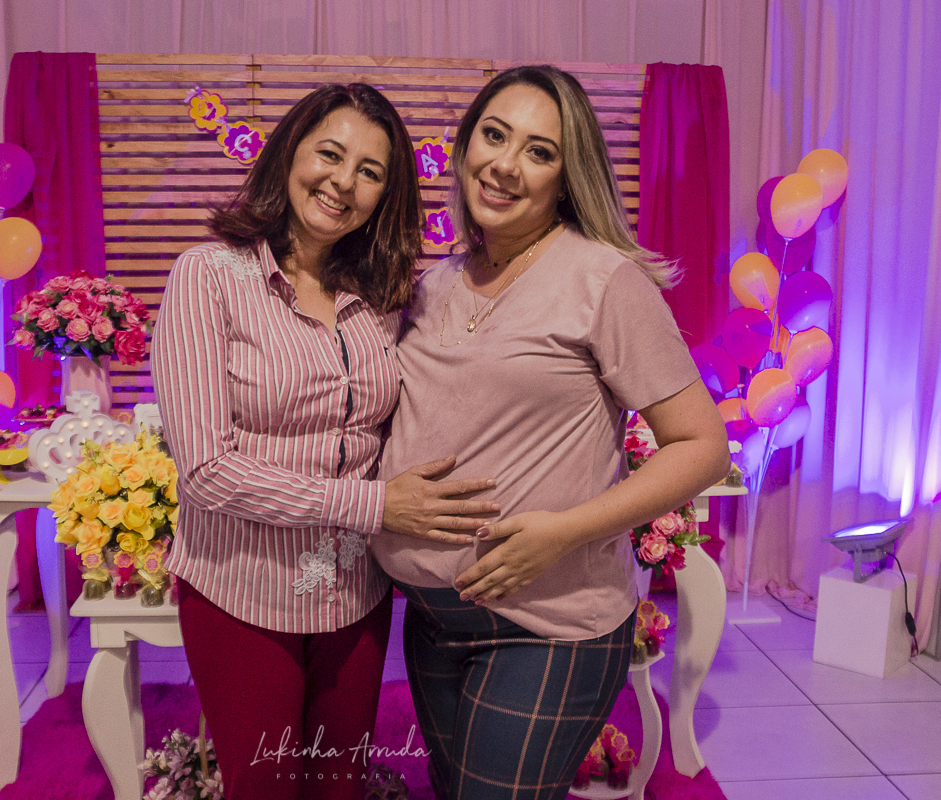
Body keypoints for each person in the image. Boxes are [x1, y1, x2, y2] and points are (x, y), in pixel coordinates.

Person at [370, 65, 732, 800]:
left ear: (567, 180)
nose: (505, 164)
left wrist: (563, 531)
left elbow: (703, 447)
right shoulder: (434, 284)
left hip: (547, 626)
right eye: (494, 135)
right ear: (465, 147)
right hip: (433, 619)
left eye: (539, 152)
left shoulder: (604, 282)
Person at [150, 83, 499, 800]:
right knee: (266, 787)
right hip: (243, 589)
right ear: (289, 154)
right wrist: (375, 505)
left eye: (369, 171)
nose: (343, 181)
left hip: (353, 591)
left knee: (340, 784)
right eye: (330, 155)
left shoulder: (383, 295)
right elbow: (207, 470)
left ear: (385, 194)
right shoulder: (209, 276)